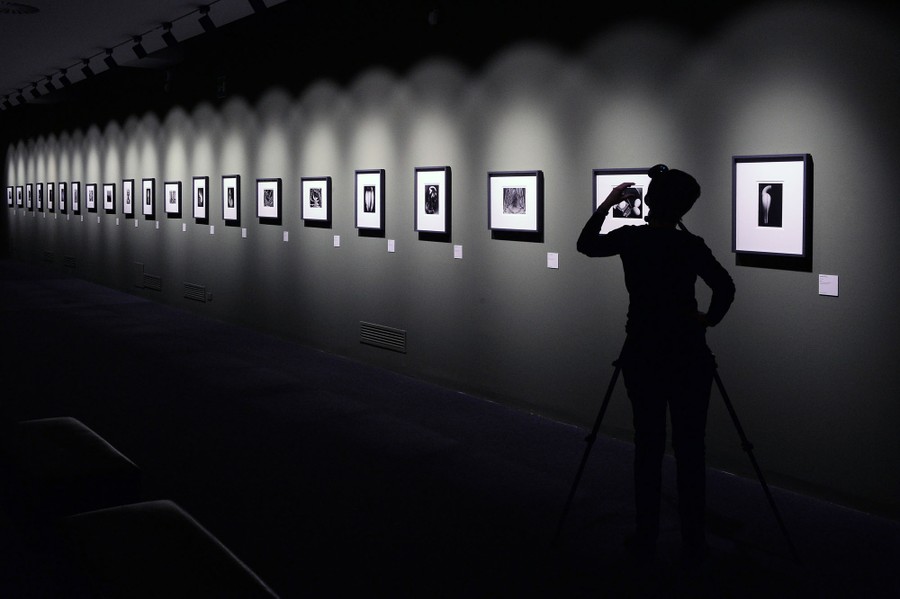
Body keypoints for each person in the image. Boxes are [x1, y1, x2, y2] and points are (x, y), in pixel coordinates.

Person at [576, 165, 735, 569]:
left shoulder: (633, 238)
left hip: (643, 350)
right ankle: (693, 542)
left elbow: (587, 244)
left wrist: (608, 205)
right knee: (690, 448)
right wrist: (707, 320)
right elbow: (725, 286)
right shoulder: (690, 245)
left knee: (647, 446)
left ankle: (647, 534)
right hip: (687, 352)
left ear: (649, 201)